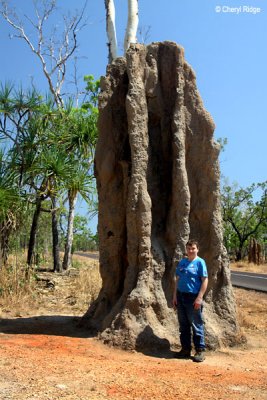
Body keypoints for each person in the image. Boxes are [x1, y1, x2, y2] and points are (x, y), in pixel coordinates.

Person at [172, 239, 208, 362]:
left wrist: (199, 297)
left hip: (193, 298)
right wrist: (174, 296)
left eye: (193, 248)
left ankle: (200, 350)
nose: (190, 250)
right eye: (188, 248)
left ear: (197, 249)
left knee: (196, 324)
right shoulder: (182, 262)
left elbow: (204, 280)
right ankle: (185, 350)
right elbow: (177, 279)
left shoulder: (200, 262)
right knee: (183, 325)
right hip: (181, 296)